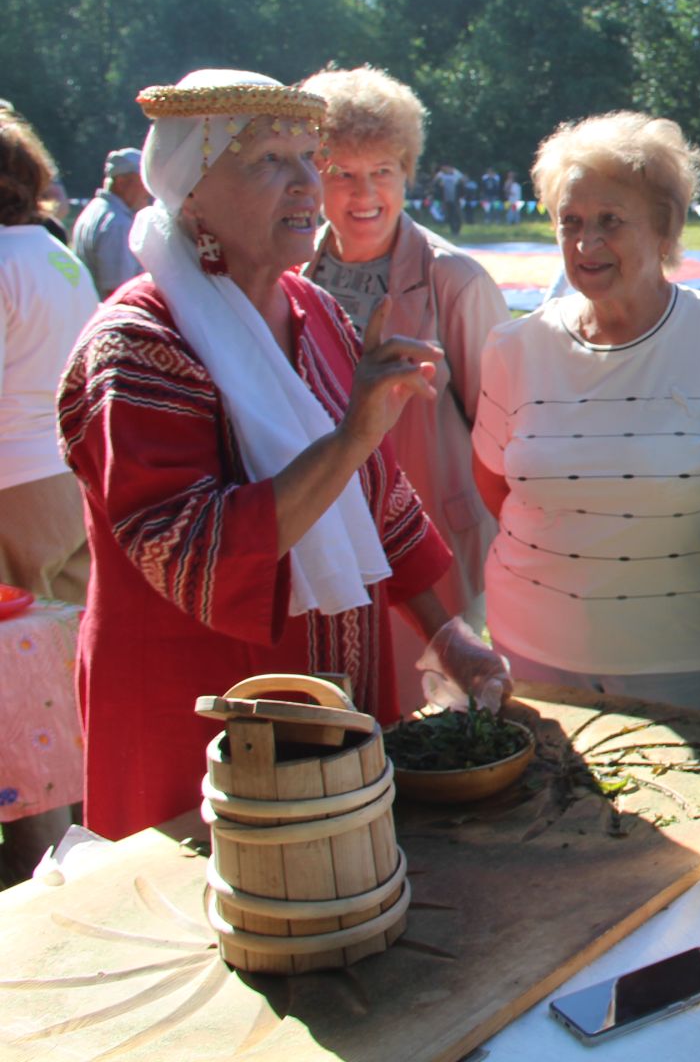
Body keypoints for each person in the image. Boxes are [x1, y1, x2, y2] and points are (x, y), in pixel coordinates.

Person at [57, 70, 510, 839]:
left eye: (311, 157)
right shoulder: (137, 346)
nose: (309, 184)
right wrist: (351, 436)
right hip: (203, 718)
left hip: (333, 696)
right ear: (191, 189)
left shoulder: (315, 310)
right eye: (270, 160)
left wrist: (446, 634)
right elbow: (192, 549)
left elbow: (379, 498)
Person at [472, 111, 700, 713]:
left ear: (664, 229)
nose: (585, 243)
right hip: (534, 642)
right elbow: (493, 481)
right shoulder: (514, 347)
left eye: (609, 222)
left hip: (684, 652)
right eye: (569, 222)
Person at [301, 66, 510, 710]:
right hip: (314, 538)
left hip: (429, 551)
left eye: (383, 171)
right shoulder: (286, 272)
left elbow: (500, 431)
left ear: (408, 171)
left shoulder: (457, 282)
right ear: (314, 175)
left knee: (427, 721)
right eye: (342, 173)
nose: (365, 193)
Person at [0, 111, 99, 881]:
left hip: (13, 488)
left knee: (19, 685)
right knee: (63, 669)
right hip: (69, 478)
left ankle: (41, 856)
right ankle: (81, 830)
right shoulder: (57, 256)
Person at [71, 148, 152, 298]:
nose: (148, 192)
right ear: (121, 183)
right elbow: (118, 291)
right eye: (143, 182)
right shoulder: (117, 224)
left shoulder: (94, 209)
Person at [433, 162, 465, 235]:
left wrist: (461, 193)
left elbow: (463, 182)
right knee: (449, 215)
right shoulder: (441, 174)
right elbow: (435, 182)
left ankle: (457, 230)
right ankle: (453, 231)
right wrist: (439, 183)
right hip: (446, 199)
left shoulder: (456, 173)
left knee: (457, 215)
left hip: (456, 199)